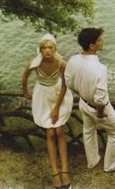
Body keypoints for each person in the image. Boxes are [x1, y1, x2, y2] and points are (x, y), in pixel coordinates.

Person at [65, 28, 115, 172]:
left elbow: (69, 82)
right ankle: (110, 165)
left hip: (83, 103)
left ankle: (92, 161)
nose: (102, 41)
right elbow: (100, 99)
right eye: (99, 40)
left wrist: (82, 92)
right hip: (98, 108)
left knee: (88, 131)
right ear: (92, 46)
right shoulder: (100, 69)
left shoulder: (73, 60)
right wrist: (100, 113)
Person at [22, 33, 73, 189]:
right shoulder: (35, 63)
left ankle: (65, 171)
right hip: (42, 97)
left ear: (55, 48)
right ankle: (55, 173)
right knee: (50, 133)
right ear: (40, 49)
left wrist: (57, 108)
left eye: (50, 47)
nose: (47, 50)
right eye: (44, 47)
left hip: (59, 96)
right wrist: (25, 91)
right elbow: (24, 76)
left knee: (59, 132)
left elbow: (65, 85)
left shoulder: (61, 63)